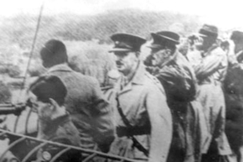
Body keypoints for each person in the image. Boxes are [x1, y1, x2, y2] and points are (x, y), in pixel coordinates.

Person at [38, 39, 115, 152]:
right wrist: (104, 147)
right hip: (84, 153)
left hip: (49, 153)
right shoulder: (90, 83)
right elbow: (106, 128)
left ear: (44, 63)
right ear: (66, 58)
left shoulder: (37, 86)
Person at [108, 33, 172, 162]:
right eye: (116, 54)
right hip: (117, 151)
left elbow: (162, 130)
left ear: (137, 55)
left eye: (124, 55)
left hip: (139, 152)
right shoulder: (119, 82)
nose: (117, 59)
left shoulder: (150, 86)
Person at [146, 31, 208, 162]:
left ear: (167, 52)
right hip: (184, 111)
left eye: (155, 51)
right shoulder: (175, 57)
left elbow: (153, 82)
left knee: (179, 151)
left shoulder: (174, 69)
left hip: (183, 116)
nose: (151, 54)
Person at [187, 24, 233, 162]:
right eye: (200, 37)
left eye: (203, 38)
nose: (200, 40)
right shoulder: (203, 53)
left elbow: (197, 71)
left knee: (206, 130)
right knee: (202, 130)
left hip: (210, 93)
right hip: (202, 92)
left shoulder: (218, 53)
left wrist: (194, 53)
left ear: (212, 39)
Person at [224, 30, 243, 162]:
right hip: (227, 101)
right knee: (228, 138)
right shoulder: (227, 54)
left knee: (241, 139)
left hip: (241, 101)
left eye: (234, 43)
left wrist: (232, 55)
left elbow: (241, 71)